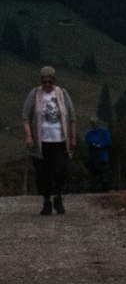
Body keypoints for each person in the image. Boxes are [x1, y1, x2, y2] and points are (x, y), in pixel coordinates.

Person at [22, 65, 77, 215]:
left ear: (54, 80)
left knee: (60, 171)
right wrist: (28, 135)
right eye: (44, 82)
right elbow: (26, 115)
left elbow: (72, 117)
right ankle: (46, 201)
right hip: (41, 144)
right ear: (41, 81)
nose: (46, 85)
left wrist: (72, 138)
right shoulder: (34, 94)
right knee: (43, 174)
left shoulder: (62, 94)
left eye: (49, 82)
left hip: (60, 142)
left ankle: (58, 197)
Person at [83, 117, 112, 192]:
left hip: (102, 156)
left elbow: (108, 142)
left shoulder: (104, 132)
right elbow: (85, 144)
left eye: (95, 124)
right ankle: (95, 190)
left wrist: (100, 145)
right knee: (94, 174)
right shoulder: (88, 134)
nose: (94, 125)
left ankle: (105, 189)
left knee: (104, 174)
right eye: (93, 124)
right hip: (93, 156)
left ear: (98, 123)